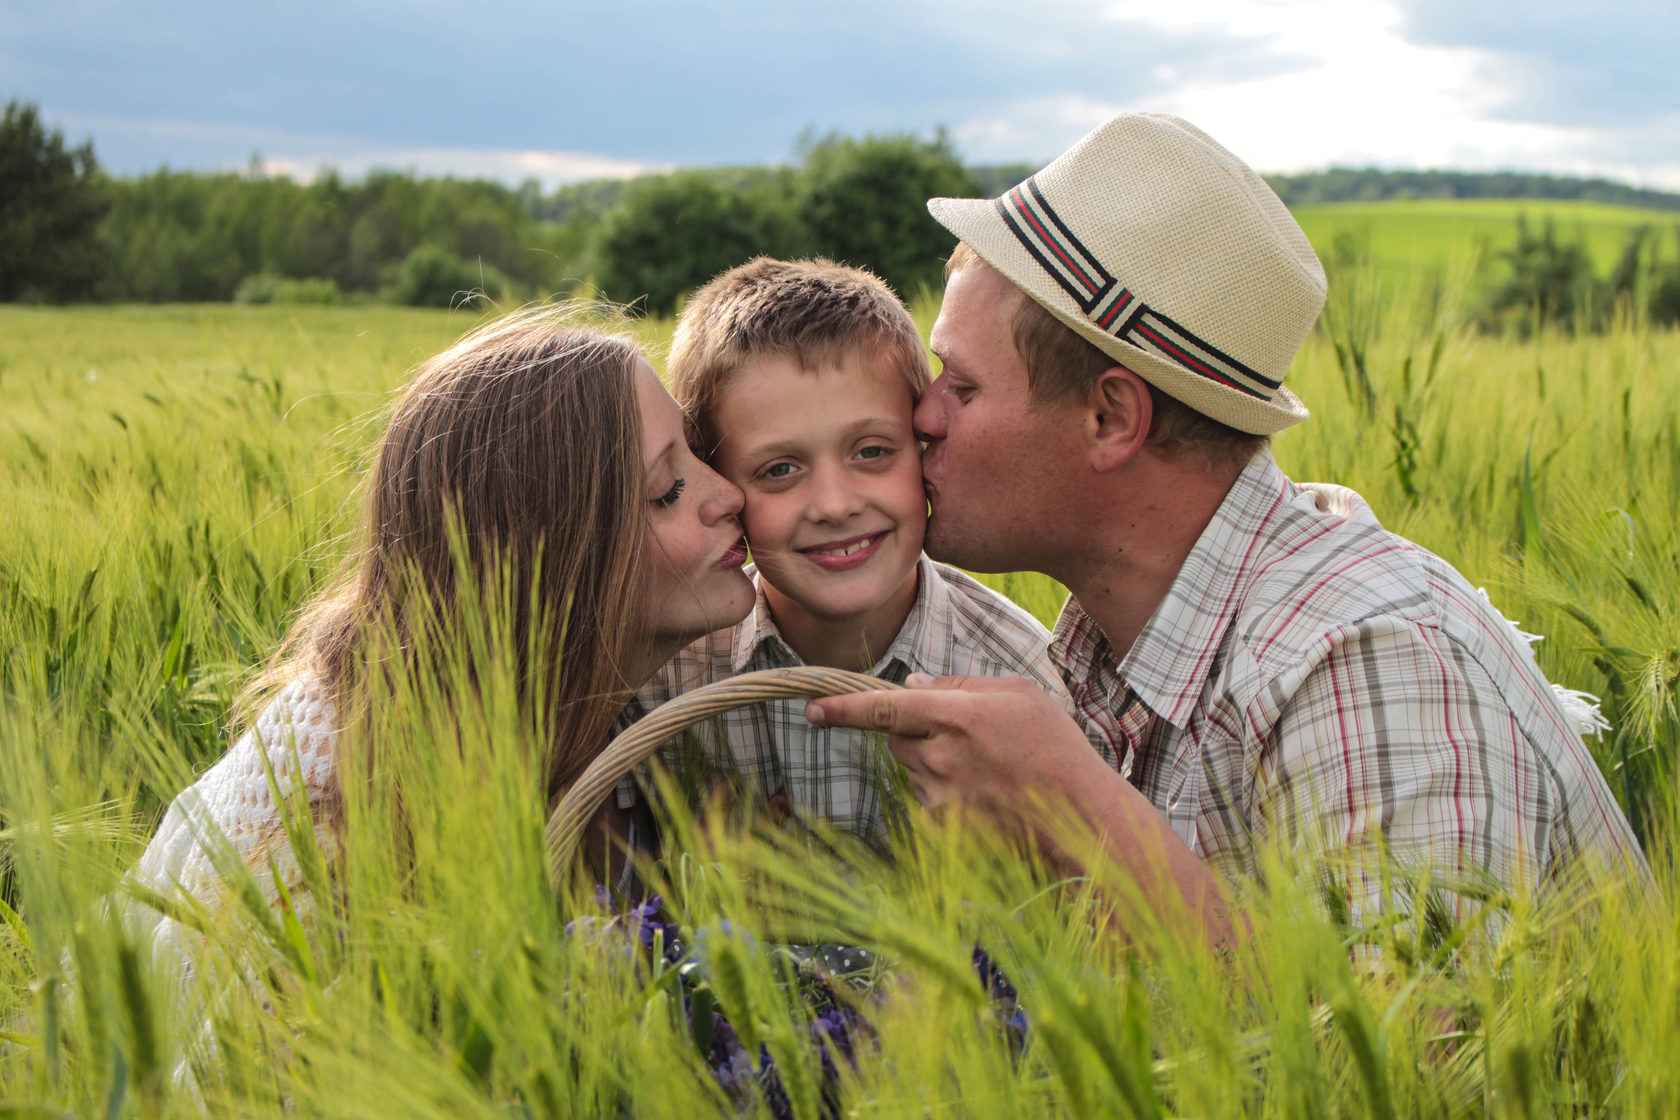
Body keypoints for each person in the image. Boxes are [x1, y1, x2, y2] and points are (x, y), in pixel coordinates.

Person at [804, 114, 1648, 945]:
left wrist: (1079, 821)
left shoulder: (1361, 654)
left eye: (963, 383)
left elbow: (1416, 1068)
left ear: (1109, 417)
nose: (922, 413)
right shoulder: (1139, 644)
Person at [130, 306, 757, 961]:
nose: (727, 493)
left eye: (699, 453)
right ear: (558, 565)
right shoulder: (334, 818)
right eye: (665, 490)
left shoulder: (670, 691)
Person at [622, 257, 1112, 842]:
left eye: (872, 452)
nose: (835, 504)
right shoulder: (662, 682)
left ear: (925, 442)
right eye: (780, 469)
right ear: (720, 483)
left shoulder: (1023, 685)